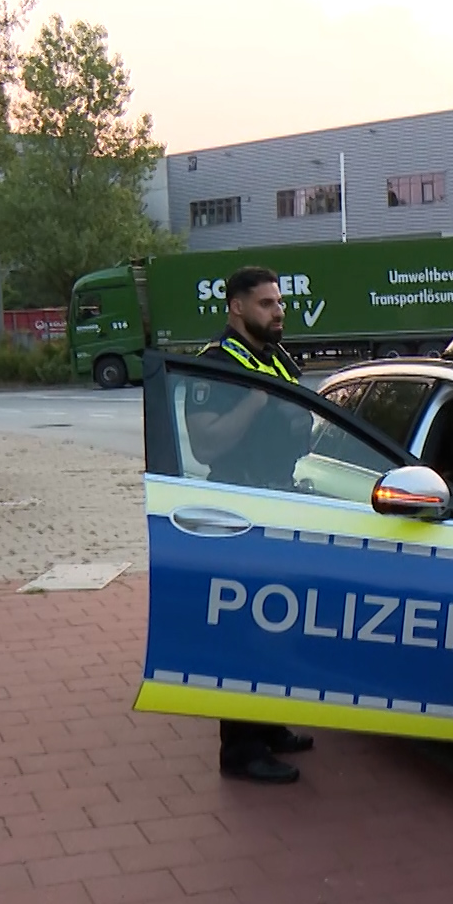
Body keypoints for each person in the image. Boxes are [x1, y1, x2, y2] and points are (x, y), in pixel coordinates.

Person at [182, 266, 317, 785]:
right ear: (236, 308)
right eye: (265, 304)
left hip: (279, 501)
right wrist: (258, 397)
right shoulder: (217, 365)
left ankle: (267, 723)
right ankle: (238, 747)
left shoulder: (278, 357)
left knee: (274, 622)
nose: (278, 311)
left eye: (279, 302)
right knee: (243, 630)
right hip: (239, 509)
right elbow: (205, 444)